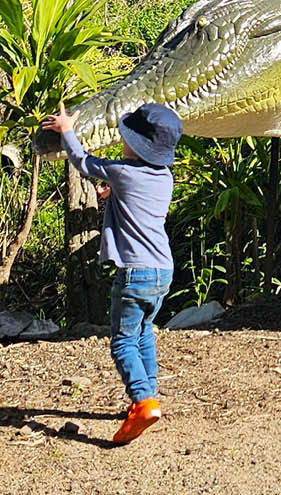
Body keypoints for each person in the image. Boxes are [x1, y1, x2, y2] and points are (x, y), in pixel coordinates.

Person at [41, 101, 182, 444]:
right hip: (162, 271)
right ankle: (149, 398)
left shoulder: (121, 171)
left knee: (121, 342)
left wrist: (66, 130)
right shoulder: (165, 177)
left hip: (134, 273)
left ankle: (142, 401)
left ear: (137, 145)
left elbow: (82, 161)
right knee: (144, 333)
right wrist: (114, 191)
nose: (122, 142)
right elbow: (136, 197)